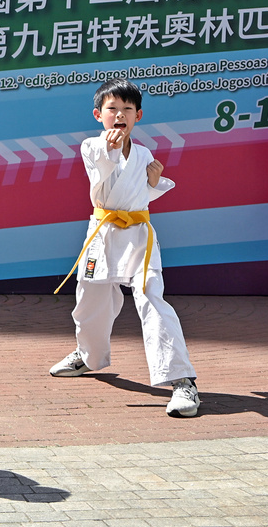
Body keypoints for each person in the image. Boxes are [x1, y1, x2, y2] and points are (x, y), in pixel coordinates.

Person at [50, 79, 200, 418]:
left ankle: (181, 380)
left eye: (127, 109)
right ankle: (88, 356)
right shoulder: (92, 146)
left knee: (151, 297)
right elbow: (101, 169)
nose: (119, 115)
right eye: (112, 109)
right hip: (103, 234)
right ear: (98, 115)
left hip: (139, 236)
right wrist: (111, 150)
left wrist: (153, 182)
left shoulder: (144, 154)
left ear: (138, 116)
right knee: (90, 302)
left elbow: (139, 196)